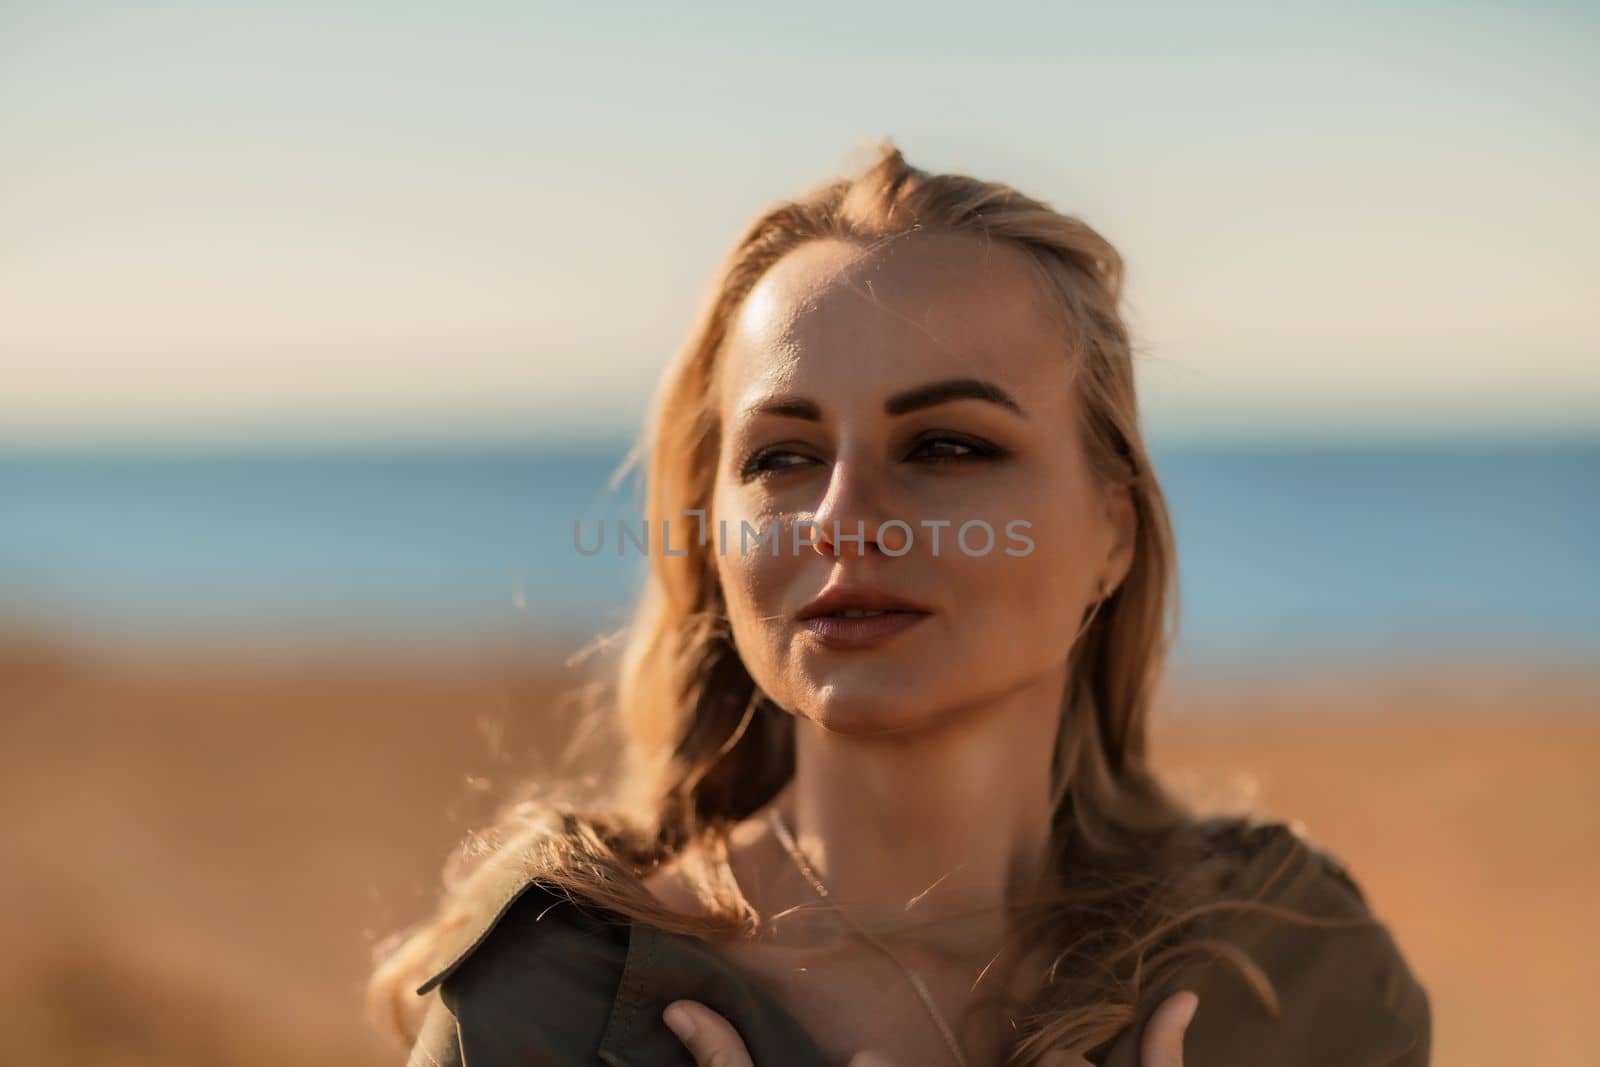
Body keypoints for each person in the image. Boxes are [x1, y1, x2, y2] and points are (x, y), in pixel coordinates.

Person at [368, 139, 1431, 1066]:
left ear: (1112, 530)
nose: (840, 516)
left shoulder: (1289, 968)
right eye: (782, 455)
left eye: (947, 445)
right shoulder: (553, 1000)